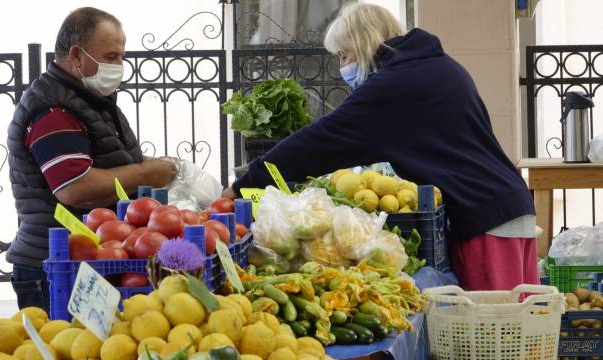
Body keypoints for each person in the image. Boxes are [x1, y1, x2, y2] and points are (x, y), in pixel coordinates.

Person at [223, 3, 539, 291]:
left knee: (494, 332)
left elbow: (318, 142)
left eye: (344, 56)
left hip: (485, 223)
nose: (342, 67)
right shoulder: (438, 66)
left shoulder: (393, 86)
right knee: (524, 333)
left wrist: (244, 184)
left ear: (363, 45)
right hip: (507, 207)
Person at [6, 7, 177, 312]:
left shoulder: (88, 101)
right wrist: (144, 172)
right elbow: (75, 186)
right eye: (111, 57)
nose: (119, 66)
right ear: (76, 55)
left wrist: (152, 167)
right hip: (54, 266)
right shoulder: (53, 110)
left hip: (85, 257)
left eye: (121, 57)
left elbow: (110, 161)